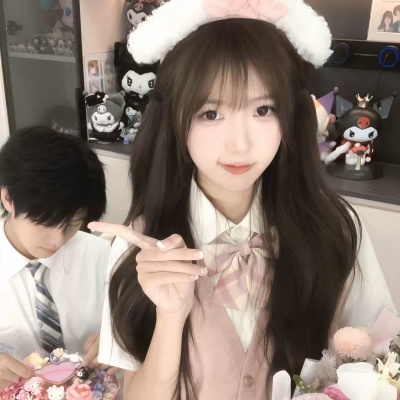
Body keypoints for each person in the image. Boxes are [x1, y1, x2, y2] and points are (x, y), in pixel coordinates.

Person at [90, 1, 396, 399]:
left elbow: (382, 364)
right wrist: (170, 316)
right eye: (210, 113)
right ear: (175, 118)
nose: (240, 144)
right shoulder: (141, 247)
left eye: (263, 109)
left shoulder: (335, 228)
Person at [0, 126, 112, 391]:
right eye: (47, 222)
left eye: (72, 225)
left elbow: (131, 331)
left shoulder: (101, 257)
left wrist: (118, 342)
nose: (58, 240)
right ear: (8, 198)